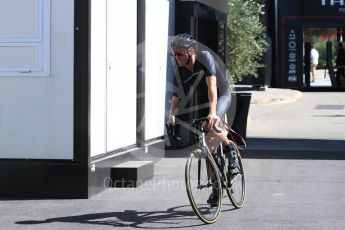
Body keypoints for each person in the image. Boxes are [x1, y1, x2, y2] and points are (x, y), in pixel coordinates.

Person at [168, 33, 238, 206]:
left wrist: (213, 113)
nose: (176, 58)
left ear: (190, 51)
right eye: (174, 54)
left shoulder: (205, 58)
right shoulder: (180, 70)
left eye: (179, 54)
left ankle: (231, 150)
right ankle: (216, 189)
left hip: (221, 95)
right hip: (203, 102)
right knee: (209, 152)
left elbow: (212, 87)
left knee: (213, 125)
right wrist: (172, 115)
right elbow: (176, 98)